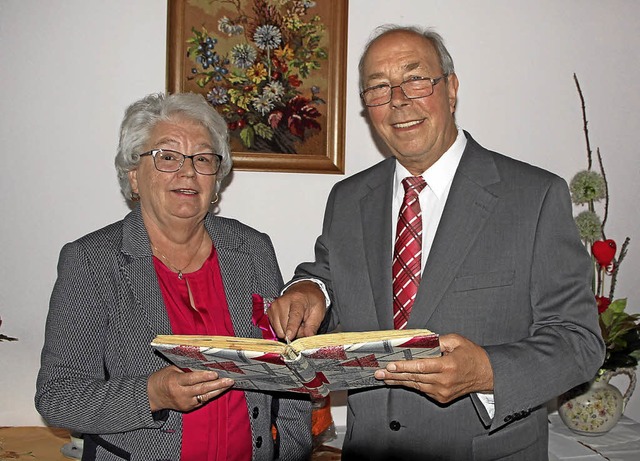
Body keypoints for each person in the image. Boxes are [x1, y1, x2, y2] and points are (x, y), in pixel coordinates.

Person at [268, 25, 605, 460]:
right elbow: (329, 276)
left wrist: (487, 371)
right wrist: (309, 289)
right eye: (378, 87)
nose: (398, 99)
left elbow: (579, 341)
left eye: (415, 78)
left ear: (451, 89)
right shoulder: (348, 199)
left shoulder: (534, 196)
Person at [35, 93, 312, 461]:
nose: (188, 172)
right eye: (167, 157)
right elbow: (58, 396)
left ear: (216, 179)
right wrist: (152, 394)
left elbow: (287, 370)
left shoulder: (252, 249)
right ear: (134, 176)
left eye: (202, 158)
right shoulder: (91, 261)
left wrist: (292, 453)